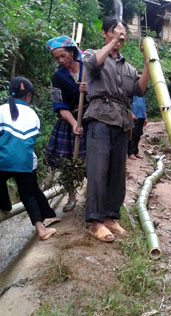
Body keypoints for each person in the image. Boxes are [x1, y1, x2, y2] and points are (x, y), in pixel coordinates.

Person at [82, 17, 149, 243]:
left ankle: (111, 217)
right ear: (104, 33)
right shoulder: (92, 53)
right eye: (115, 32)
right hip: (100, 116)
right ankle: (95, 222)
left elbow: (139, 90)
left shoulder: (127, 66)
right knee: (98, 170)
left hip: (121, 121)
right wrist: (112, 43)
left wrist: (147, 63)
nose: (121, 37)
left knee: (117, 172)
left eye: (123, 33)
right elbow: (92, 65)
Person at [0, 77, 60, 240]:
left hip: (2, 161)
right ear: (28, 96)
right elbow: (29, 141)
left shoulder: (1, 110)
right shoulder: (33, 115)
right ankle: (41, 230)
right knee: (28, 194)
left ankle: (5, 206)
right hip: (25, 162)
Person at [45, 35, 86, 212]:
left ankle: (93, 195)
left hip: (91, 118)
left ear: (72, 52)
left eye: (63, 56)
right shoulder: (58, 77)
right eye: (56, 58)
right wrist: (74, 124)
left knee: (92, 159)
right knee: (68, 161)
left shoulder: (87, 68)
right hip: (69, 122)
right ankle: (71, 196)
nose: (61, 61)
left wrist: (88, 88)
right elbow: (59, 105)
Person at [128, 91, 147, 160]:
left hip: (141, 114)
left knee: (138, 134)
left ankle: (136, 151)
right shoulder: (131, 89)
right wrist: (131, 113)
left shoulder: (142, 91)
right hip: (134, 114)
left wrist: (145, 116)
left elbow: (143, 103)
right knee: (132, 134)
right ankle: (130, 152)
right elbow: (127, 102)